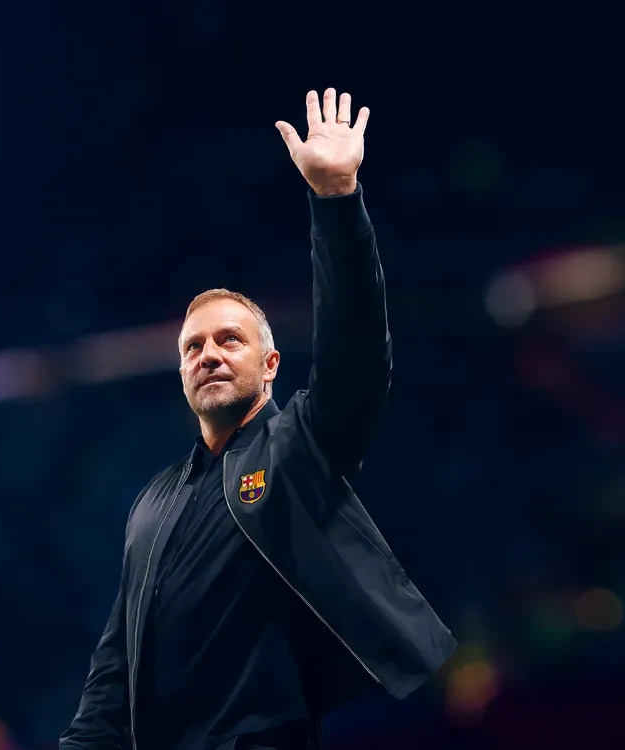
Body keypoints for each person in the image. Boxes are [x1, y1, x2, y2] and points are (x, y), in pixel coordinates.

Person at [59, 88, 456, 750]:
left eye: (229, 340)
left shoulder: (297, 447)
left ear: (270, 365)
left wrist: (337, 201)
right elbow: (114, 671)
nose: (208, 355)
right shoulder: (153, 502)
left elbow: (355, 354)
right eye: (193, 348)